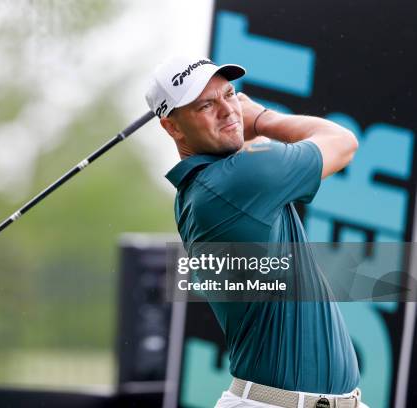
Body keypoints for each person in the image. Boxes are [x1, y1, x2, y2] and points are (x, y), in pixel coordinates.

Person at [146, 55, 369, 408]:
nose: (228, 110)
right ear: (172, 127)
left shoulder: (206, 186)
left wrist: (239, 129)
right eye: (206, 104)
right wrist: (262, 119)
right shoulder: (237, 180)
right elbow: (343, 142)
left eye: (230, 94)